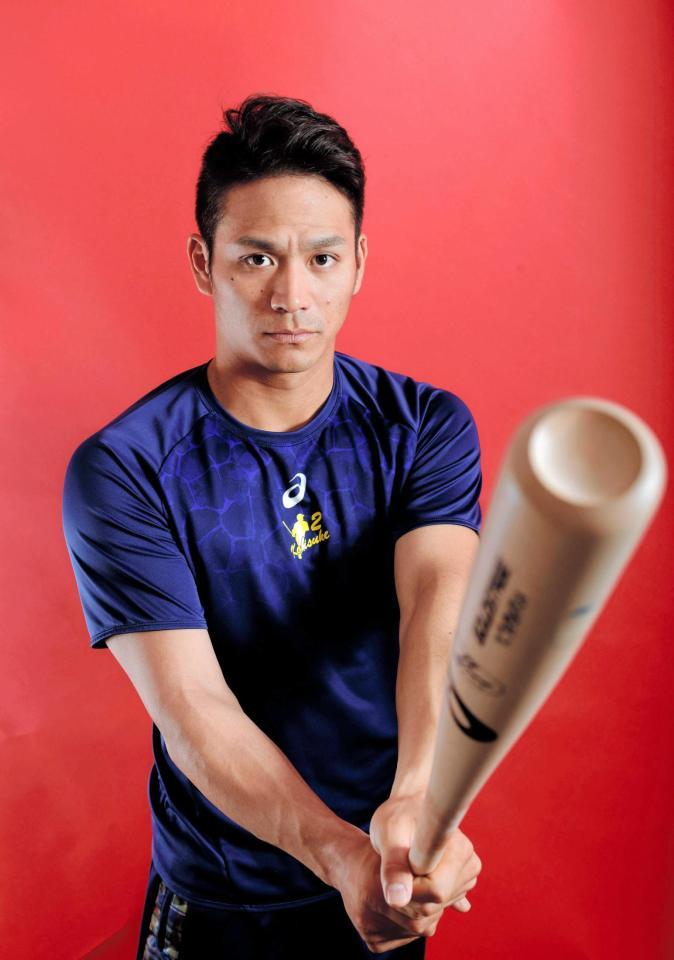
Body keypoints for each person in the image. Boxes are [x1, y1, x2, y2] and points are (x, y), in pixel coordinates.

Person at [61, 93, 484, 959]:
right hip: (223, 896)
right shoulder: (126, 468)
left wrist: (416, 801)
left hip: (390, 867)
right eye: (256, 258)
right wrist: (339, 854)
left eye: (321, 258)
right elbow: (194, 709)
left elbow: (436, 613)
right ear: (203, 261)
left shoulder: (423, 427)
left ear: (358, 262)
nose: (293, 295)